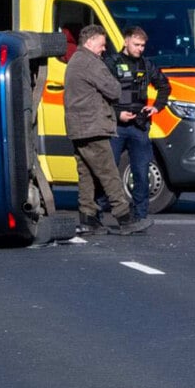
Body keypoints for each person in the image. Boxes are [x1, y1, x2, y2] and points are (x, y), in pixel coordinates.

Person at [63, 24, 152, 236]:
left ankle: (88, 218)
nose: (104, 49)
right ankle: (124, 217)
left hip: (78, 126)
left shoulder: (75, 60)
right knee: (109, 173)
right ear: (90, 42)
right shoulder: (90, 62)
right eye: (102, 45)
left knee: (87, 174)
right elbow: (114, 90)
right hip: (93, 126)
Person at [105, 26, 171, 220]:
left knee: (141, 172)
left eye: (142, 45)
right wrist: (118, 114)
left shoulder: (146, 65)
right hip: (116, 125)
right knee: (108, 170)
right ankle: (98, 212)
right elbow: (100, 95)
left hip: (139, 125)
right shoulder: (111, 63)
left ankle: (140, 215)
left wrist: (156, 107)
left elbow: (164, 86)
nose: (140, 49)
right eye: (136, 44)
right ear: (126, 41)